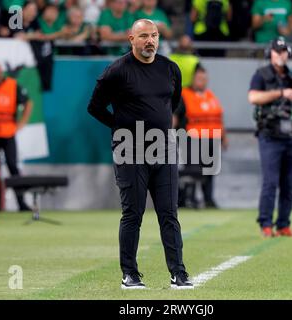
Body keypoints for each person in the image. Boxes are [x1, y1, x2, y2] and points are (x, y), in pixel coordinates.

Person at [87, 19, 193, 290]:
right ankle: (129, 274)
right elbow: (95, 107)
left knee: (169, 213)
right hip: (129, 149)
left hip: (164, 148)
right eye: (144, 36)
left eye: (154, 35)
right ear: (131, 39)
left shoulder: (170, 68)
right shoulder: (117, 71)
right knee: (133, 214)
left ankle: (178, 273)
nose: (150, 41)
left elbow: (174, 102)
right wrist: (120, 127)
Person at [248, 37, 292, 238]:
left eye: (284, 51)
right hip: (270, 134)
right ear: (271, 53)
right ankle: (266, 224)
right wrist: (280, 93)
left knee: (288, 184)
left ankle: (284, 224)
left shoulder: (291, 76)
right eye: (277, 51)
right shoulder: (261, 74)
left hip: (290, 134)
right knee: (270, 182)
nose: (281, 55)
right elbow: (253, 97)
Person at [174, 66, 228, 209]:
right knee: (193, 171)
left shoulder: (210, 96)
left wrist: (224, 137)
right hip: (192, 139)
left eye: (204, 79)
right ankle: (185, 200)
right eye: (199, 78)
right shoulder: (184, 95)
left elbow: (218, 118)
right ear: (193, 79)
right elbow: (175, 117)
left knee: (210, 172)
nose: (201, 81)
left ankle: (208, 200)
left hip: (212, 139)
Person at [0, 62, 33, 212]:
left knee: (13, 166)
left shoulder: (12, 85)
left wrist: (21, 123)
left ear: (1, 71)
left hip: (8, 133)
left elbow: (28, 102)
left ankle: (21, 202)